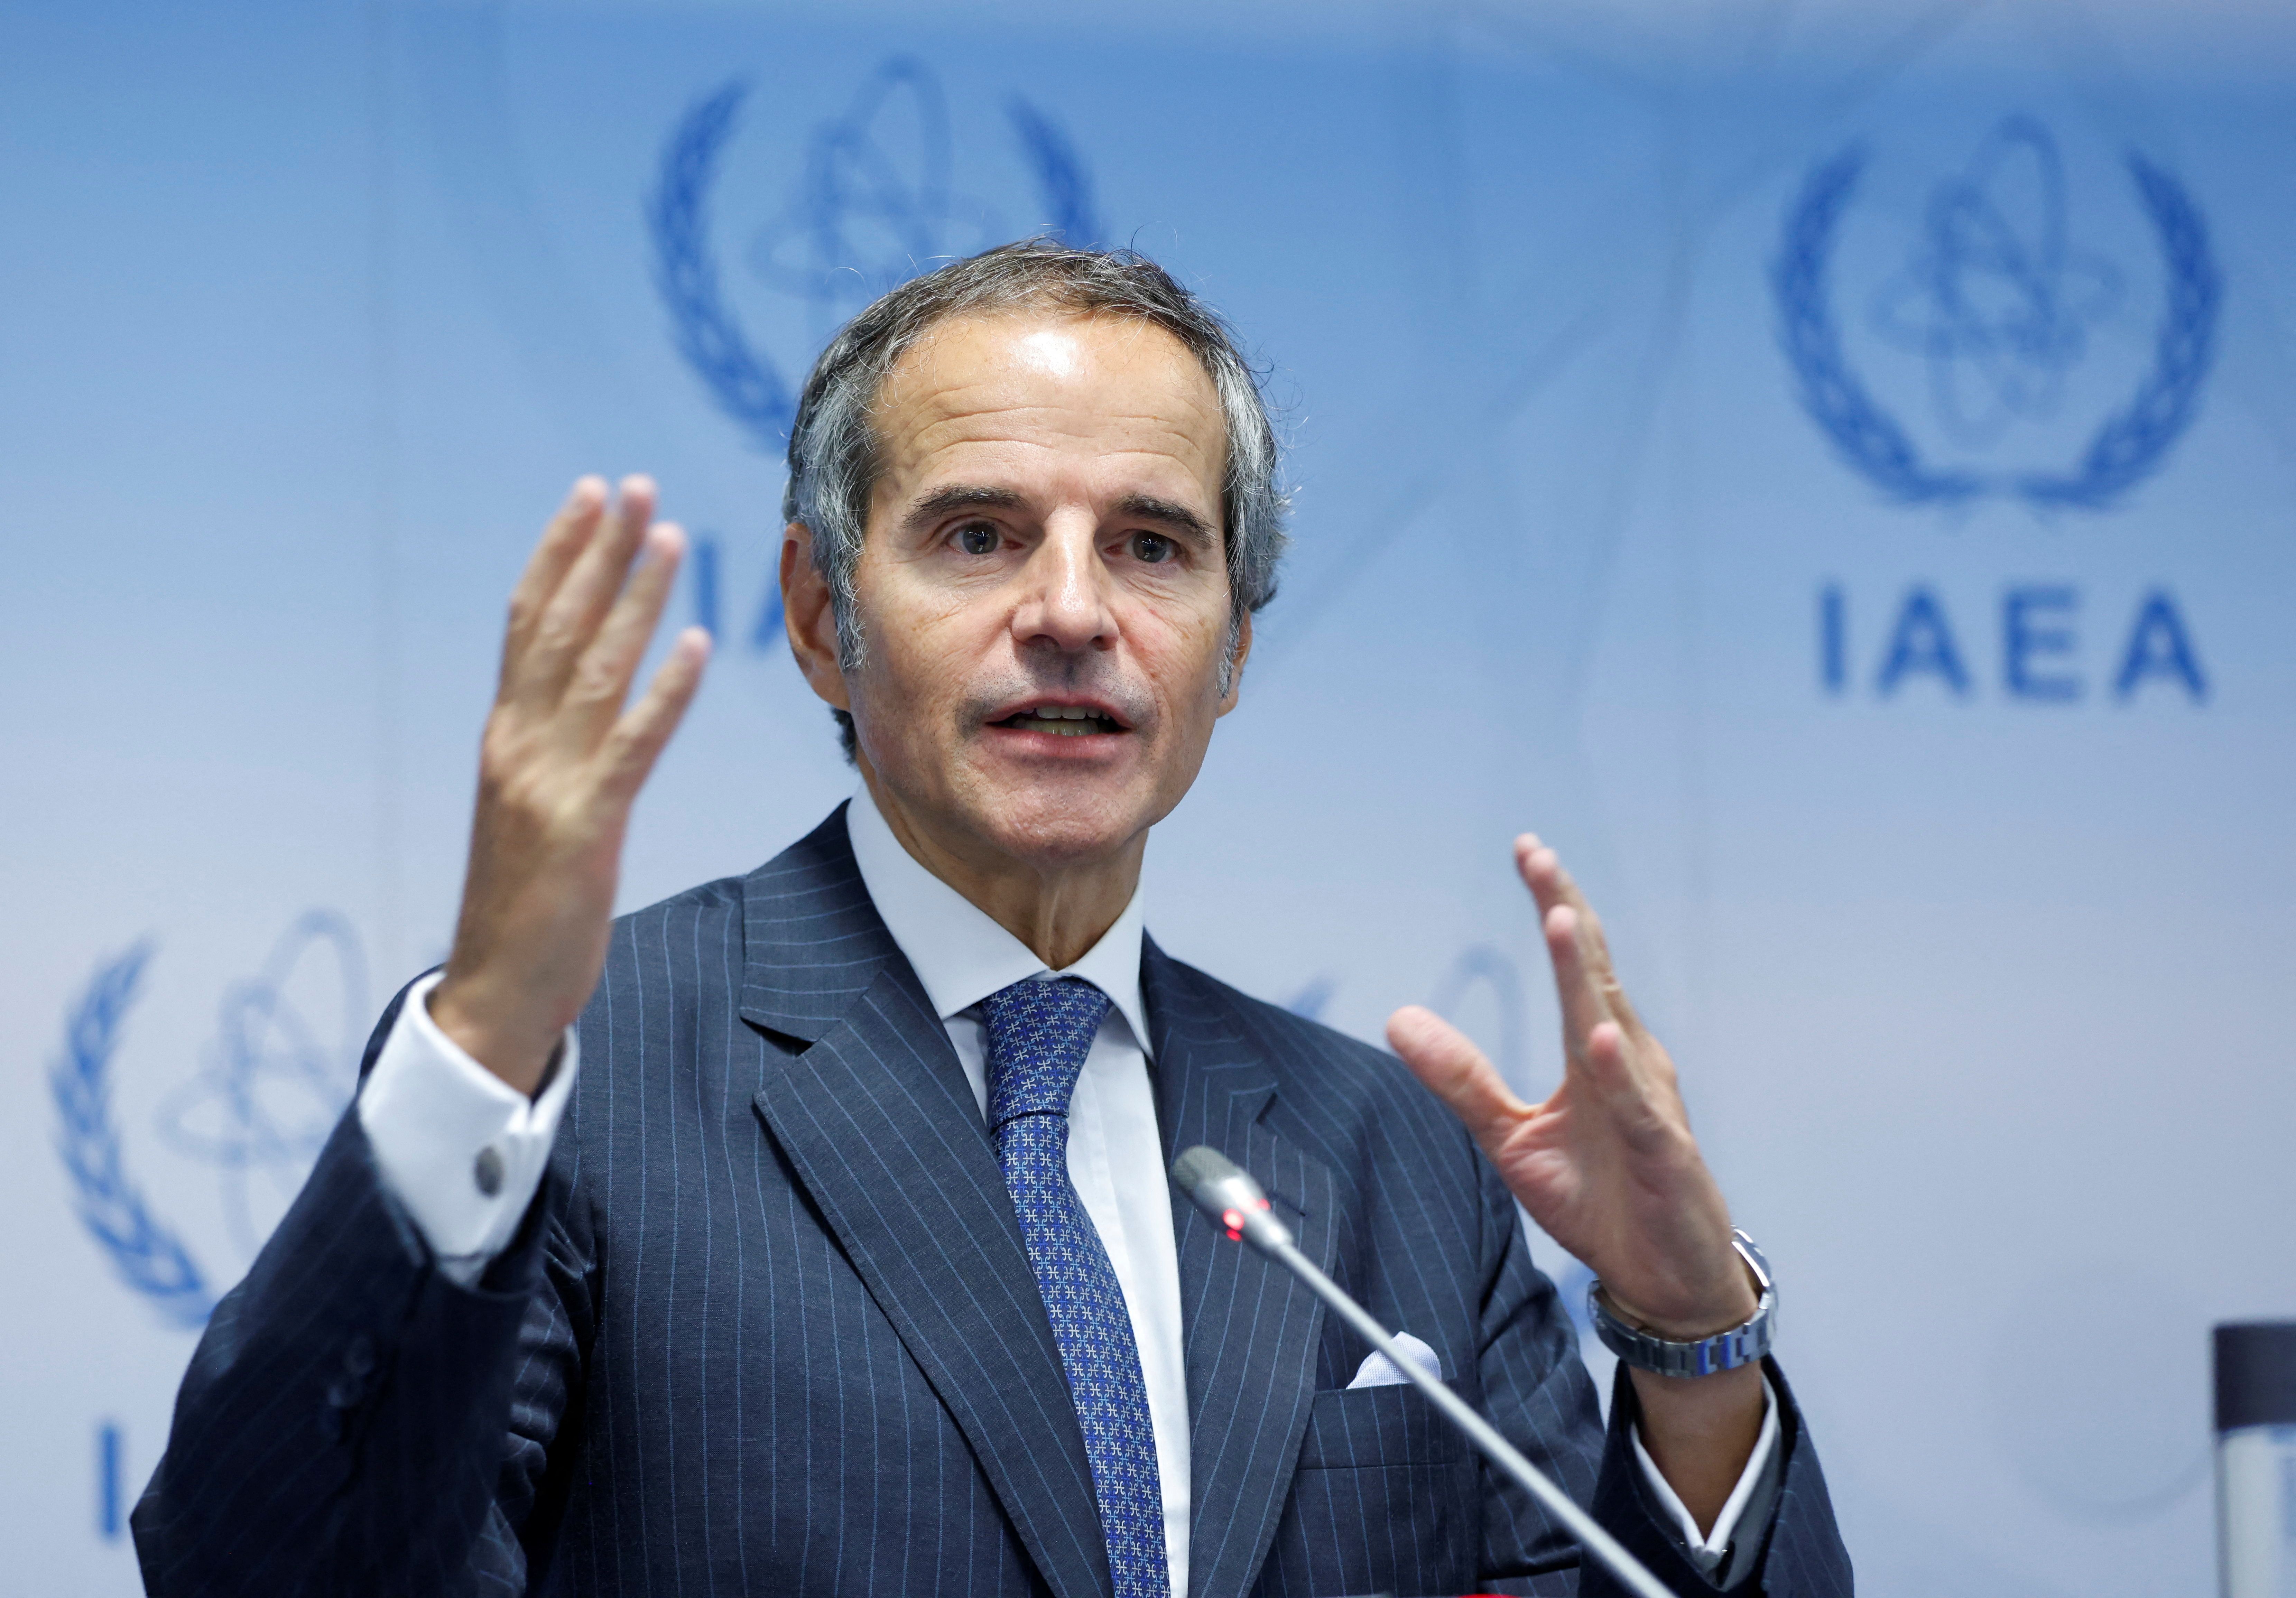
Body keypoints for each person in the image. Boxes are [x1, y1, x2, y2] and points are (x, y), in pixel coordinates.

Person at [134, 241, 1849, 1598]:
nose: (1070, 614)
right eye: (978, 534)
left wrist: (1692, 1341)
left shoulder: (1383, 1146)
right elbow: (271, 1572)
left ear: (1233, 646)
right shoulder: (561, 1074)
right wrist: (487, 1037)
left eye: (1156, 549)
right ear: (821, 617)